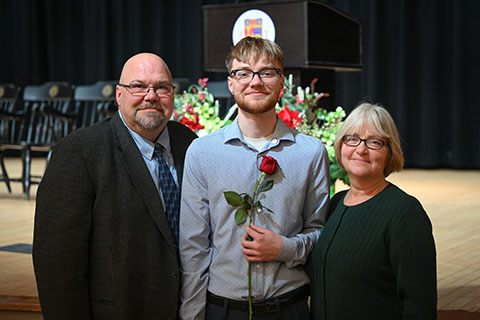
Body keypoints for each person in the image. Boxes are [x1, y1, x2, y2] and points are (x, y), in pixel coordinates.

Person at [33, 52, 197, 320]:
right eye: (139, 86)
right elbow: (57, 266)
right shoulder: (79, 152)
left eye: (162, 87)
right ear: (119, 95)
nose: (151, 95)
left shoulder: (187, 142)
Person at [179, 37, 330, 320]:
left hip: (290, 308)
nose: (255, 81)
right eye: (244, 72)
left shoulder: (311, 153)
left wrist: (284, 249)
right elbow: (193, 247)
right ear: (231, 83)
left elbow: (321, 233)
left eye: (267, 72)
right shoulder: (203, 152)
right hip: (223, 310)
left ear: (282, 82)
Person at [309, 103, 437, 320]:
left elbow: (419, 305)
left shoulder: (404, 213)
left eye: (375, 142)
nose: (361, 149)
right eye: (352, 139)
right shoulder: (336, 203)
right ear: (341, 146)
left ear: (390, 153)